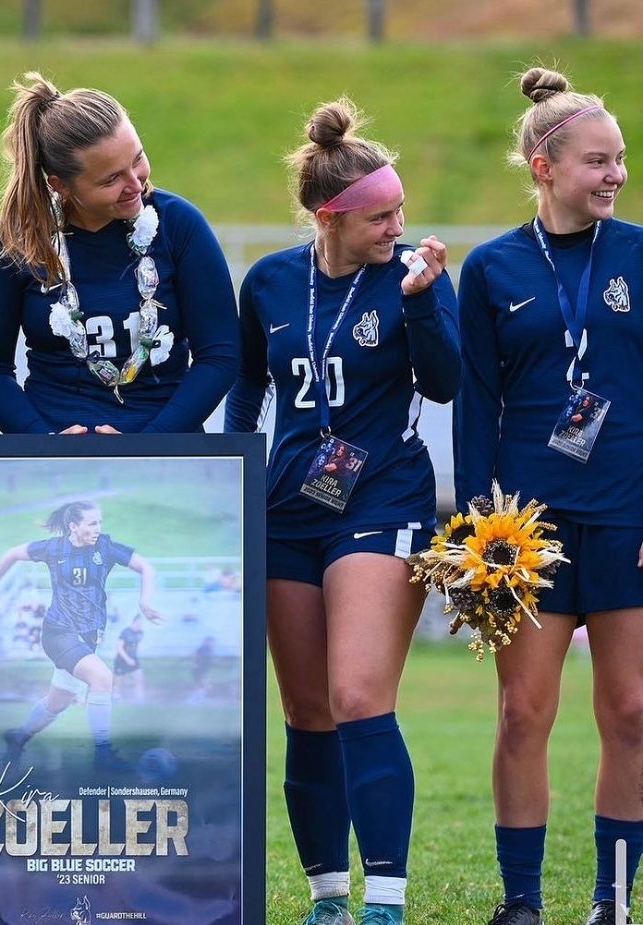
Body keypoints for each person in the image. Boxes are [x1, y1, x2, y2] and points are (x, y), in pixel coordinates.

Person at [225, 98, 461, 925]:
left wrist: (423, 300)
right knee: (307, 712)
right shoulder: (269, 282)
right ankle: (328, 897)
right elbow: (247, 380)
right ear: (330, 217)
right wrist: (236, 465)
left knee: (359, 694)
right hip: (287, 508)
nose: (398, 226)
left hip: (383, 496)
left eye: (400, 210)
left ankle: (385, 901)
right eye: (380, 216)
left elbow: (445, 382)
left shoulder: (414, 275)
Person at [453, 67, 642, 925]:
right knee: (523, 713)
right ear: (544, 167)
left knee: (632, 713)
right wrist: (476, 528)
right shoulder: (493, 268)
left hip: (627, 515)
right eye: (598, 161)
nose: (616, 175)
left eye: (621, 159)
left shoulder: (638, 254)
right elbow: (476, 404)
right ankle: (522, 902)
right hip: (527, 531)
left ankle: (614, 900)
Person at [0, 71, 238, 435]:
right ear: (60, 185)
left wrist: (151, 445)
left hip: (167, 452)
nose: (135, 183)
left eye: (137, 159)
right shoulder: (14, 242)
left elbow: (219, 354)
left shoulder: (179, 225)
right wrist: (42, 442)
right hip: (53, 453)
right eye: (111, 179)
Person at [0, 501, 161, 769]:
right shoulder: (53, 548)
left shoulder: (105, 547)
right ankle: (103, 754)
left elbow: (146, 567)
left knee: (58, 702)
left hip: (88, 637)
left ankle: (18, 737)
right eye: (91, 523)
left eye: (99, 522)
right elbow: (11, 554)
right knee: (102, 677)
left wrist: (145, 601)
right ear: (73, 526)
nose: (97, 528)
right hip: (58, 632)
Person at [112, 614, 146, 702]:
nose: (139, 626)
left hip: (133, 658)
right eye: (138, 624)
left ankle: (139, 698)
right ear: (133, 622)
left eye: (141, 624)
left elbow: (136, 645)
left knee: (139, 676)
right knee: (120, 681)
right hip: (121, 659)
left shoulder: (140, 633)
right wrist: (127, 659)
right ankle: (117, 697)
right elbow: (119, 648)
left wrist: (134, 657)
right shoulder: (125, 632)